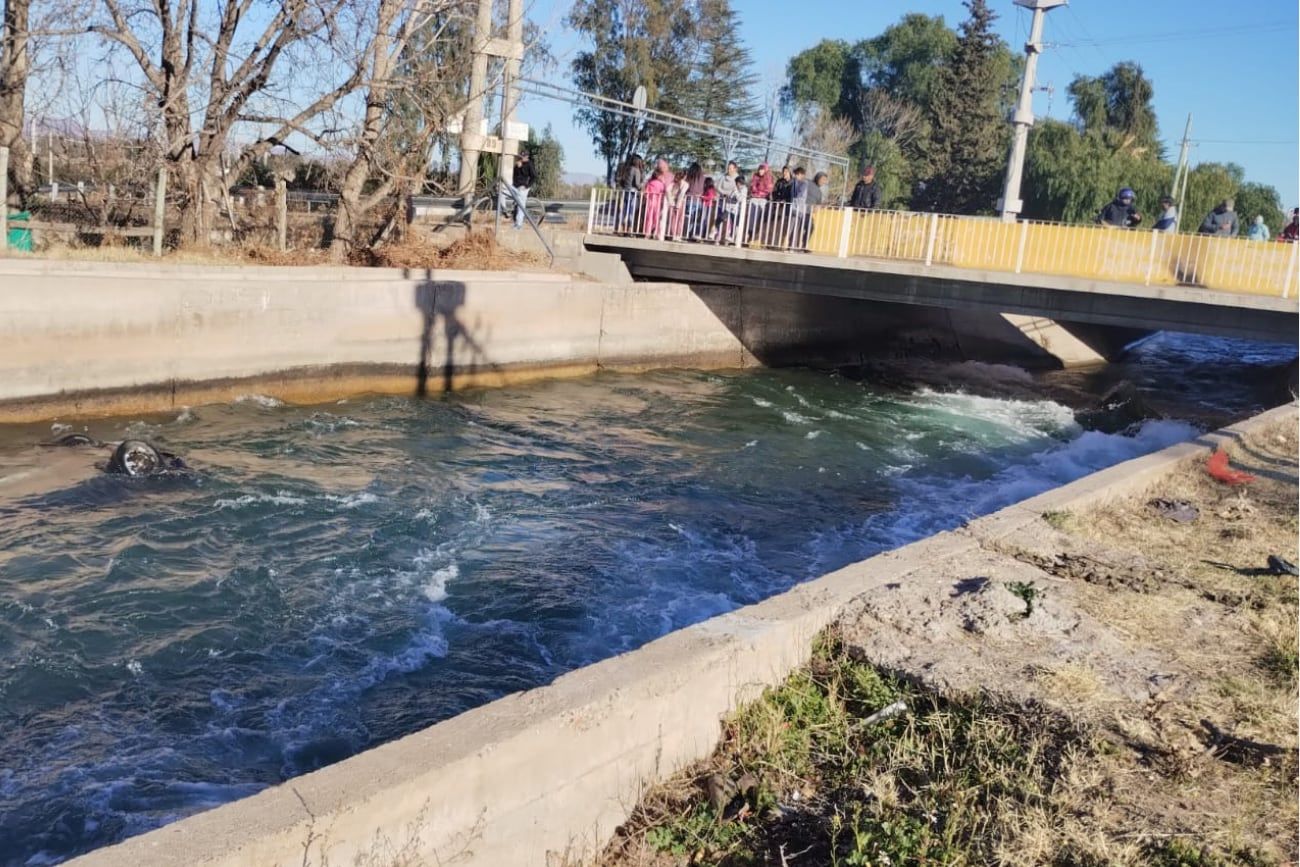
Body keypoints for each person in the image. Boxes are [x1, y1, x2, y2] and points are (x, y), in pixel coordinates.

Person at [503, 151, 535, 229]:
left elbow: (534, 177)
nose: (520, 159)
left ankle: (518, 224)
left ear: (526, 157)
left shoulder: (529, 164)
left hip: (523, 188)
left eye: (521, 157)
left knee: (521, 206)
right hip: (514, 186)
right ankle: (504, 210)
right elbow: (514, 175)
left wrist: (527, 186)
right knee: (502, 192)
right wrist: (517, 167)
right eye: (519, 157)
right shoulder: (517, 164)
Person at [713, 161, 740, 243]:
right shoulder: (724, 177)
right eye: (728, 168)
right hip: (723, 200)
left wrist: (730, 194)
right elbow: (717, 186)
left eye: (731, 168)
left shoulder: (738, 178)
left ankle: (730, 237)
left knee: (733, 220)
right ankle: (717, 235)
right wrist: (723, 193)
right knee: (720, 218)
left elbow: (737, 189)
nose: (729, 170)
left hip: (732, 202)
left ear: (735, 169)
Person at [618, 154, 646, 234]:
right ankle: (630, 229)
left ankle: (621, 228)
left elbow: (621, 182)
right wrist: (642, 184)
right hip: (632, 193)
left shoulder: (627, 169)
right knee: (631, 212)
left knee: (623, 211)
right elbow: (637, 184)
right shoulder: (636, 170)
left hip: (625, 192)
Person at [746, 163, 773, 244]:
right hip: (754, 199)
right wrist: (753, 191)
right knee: (751, 218)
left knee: (758, 219)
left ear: (766, 170)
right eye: (760, 169)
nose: (761, 171)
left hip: (762, 200)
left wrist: (760, 193)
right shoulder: (755, 176)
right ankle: (749, 233)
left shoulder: (768, 178)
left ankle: (754, 236)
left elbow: (768, 190)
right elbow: (751, 187)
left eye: (762, 169)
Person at [643, 163, 666, 239]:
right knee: (656, 218)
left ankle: (647, 233)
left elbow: (645, 193)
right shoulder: (661, 184)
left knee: (649, 218)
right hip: (658, 203)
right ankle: (655, 232)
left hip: (650, 202)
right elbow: (663, 193)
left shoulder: (649, 183)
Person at [805, 171, 828, 249]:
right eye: (823, 179)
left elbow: (818, 205)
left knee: (810, 228)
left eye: (825, 180)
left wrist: (820, 207)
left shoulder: (819, 192)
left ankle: (804, 245)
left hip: (808, 213)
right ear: (818, 178)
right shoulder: (807, 182)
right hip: (800, 210)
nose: (824, 182)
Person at [789, 167, 810, 250]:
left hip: (799, 208)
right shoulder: (795, 182)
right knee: (791, 227)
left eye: (798, 174)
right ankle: (791, 245)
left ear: (802, 175)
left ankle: (792, 246)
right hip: (794, 207)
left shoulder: (804, 183)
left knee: (796, 227)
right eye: (796, 174)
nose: (796, 176)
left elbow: (799, 194)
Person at [684, 162, 706, 240]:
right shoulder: (702, 177)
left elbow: (685, 187)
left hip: (689, 199)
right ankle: (692, 233)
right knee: (695, 219)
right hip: (699, 200)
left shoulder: (689, 177)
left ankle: (685, 233)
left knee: (688, 218)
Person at [668, 168, 690, 240]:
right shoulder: (685, 184)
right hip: (680, 203)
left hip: (672, 202)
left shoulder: (673, 183)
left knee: (673, 219)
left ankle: (673, 234)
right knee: (680, 220)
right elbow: (682, 194)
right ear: (684, 175)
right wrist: (678, 204)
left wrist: (671, 201)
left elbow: (667, 191)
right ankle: (677, 235)